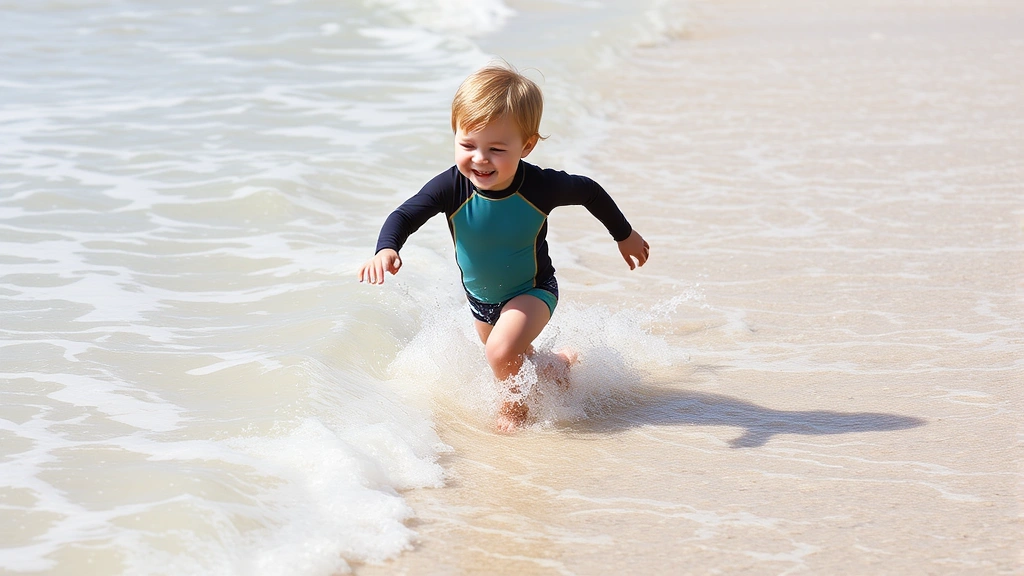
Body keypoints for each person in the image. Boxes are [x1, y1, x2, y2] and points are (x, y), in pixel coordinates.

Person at [358, 62, 650, 432]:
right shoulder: (450, 188)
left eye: (496, 149)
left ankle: (515, 412)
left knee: (500, 352)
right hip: (481, 301)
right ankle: (558, 366)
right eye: (467, 145)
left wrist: (623, 234)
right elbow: (404, 214)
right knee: (513, 359)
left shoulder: (540, 186)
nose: (480, 158)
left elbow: (588, 190)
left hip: (534, 291)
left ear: (526, 145)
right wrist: (387, 248)